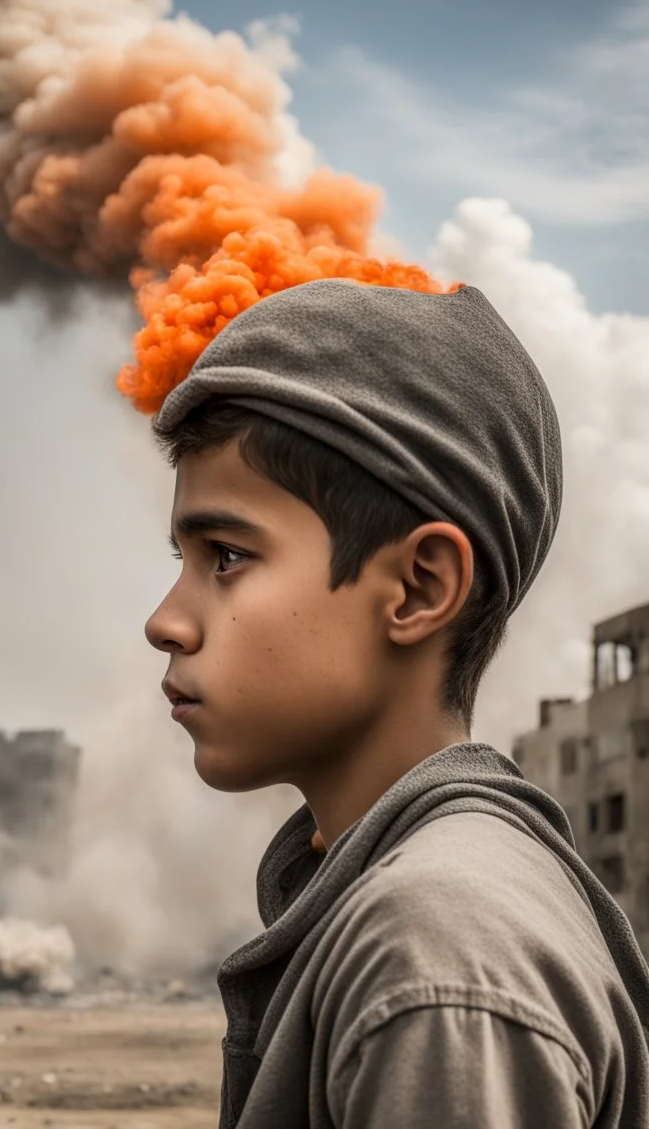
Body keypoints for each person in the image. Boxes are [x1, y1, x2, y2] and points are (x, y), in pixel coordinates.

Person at [142, 278, 649, 1128]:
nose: (167, 622)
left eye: (226, 556)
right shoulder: (408, 896)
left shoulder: (435, 963)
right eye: (182, 559)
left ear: (419, 587)